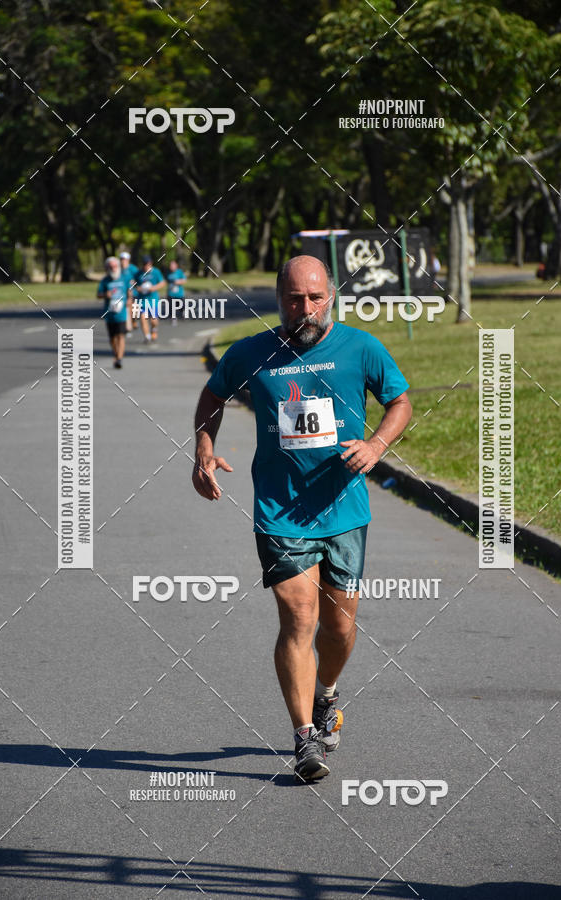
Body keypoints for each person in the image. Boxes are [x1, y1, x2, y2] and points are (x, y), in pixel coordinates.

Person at [192, 255, 412, 782]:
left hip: (344, 509)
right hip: (279, 509)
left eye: (315, 298)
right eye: (295, 299)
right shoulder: (250, 353)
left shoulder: (361, 348)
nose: (305, 309)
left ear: (330, 296)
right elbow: (212, 396)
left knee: (339, 626)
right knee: (298, 617)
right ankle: (304, 740)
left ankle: (328, 692)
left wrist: (378, 445)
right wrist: (203, 450)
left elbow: (399, 402)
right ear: (278, 298)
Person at [97, 256, 129, 369]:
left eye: (115, 266)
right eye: (111, 267)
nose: (113, 268)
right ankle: (116, 353)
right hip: (109, 314)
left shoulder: (124, 278)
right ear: (107, 268)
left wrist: (130, 301)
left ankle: (119, 358)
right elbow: (99, 294)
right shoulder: (105, 281)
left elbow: (129, 290)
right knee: (112, 338)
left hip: (122, 313)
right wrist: (106, 295)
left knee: (121, 335)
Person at [134, 255, 165, 342]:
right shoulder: (138, 274)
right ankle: (147, 336)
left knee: (153, 321)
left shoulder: (156, 272)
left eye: (147, 264)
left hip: (153, 300)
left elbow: (162, 283)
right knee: (143, 318)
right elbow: (134, 284)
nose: (145, 266)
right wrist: (138, 288)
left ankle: (154, 330)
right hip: (142, 301)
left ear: (150, 263)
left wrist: (153, 288)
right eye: (144, 264)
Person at [120, 251, 139, 334]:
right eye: (122, 259)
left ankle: (133, 321)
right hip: (123, 294)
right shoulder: (119, 269)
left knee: (134, 311)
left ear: (128, 260)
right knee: (126, 310)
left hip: (134, 293)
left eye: (125, 259)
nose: (123, 261)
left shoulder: (133, 269)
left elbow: (139, 279)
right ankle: (128, 327)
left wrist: (134, 282)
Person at [166, 259, 187, 326]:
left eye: (173, 265)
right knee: (171, 307)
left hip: (179, 294)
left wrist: (178, 282)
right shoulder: (168, 273)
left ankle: (183, 312)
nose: (171, 267)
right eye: (170, 265)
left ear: (176, 266)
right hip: (171, 294)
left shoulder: (179, 272)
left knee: (181, 306)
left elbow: (184, 280)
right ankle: (174, 319)